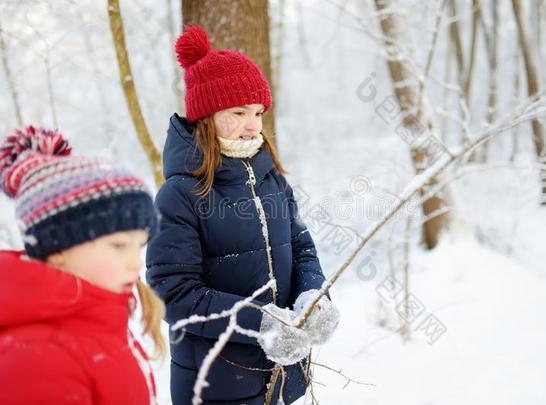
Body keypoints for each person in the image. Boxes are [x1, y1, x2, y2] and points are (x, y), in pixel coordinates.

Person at [146, 25, 340, 405]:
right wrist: (263, 325)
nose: (253, 125)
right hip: (217, 384)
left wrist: (313, 298)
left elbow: (303, 251)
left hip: (284, 378)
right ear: (206, 116)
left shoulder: (272, 181)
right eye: (238, 112)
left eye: (258, 112)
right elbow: (174, 294)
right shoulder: (179, 195)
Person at [0, 126, 164, 405]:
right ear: (58, 248)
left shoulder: (99, 318)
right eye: (118, 245)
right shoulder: (38, 358)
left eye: (139, 246)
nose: (136, 262)